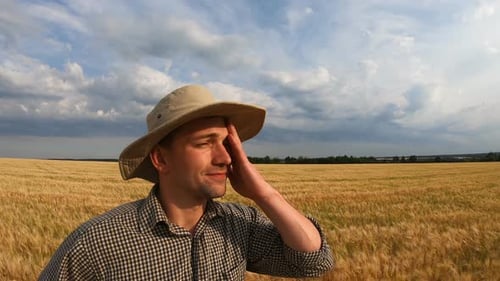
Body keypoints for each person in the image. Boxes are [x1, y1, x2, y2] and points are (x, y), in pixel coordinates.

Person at [39, 84, 334, 280]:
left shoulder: (238, 225)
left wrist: (264, 193)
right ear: (161, 159)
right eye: (205, 143)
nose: (225, 157)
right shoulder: (100, 241)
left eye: (227, 144)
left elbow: (313, 262)